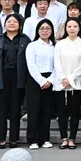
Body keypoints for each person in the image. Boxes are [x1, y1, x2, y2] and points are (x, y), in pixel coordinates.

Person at [0, 14, 31, 149]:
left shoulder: (25, 40)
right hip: (1, 76)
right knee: (1, 110)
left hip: (18, 77)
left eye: (14, 21)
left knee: (15, 109)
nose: (11, 23)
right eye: (9, 21)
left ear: (20, 24)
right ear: (4, 24)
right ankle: (1, 139)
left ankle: (14, 139)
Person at [53, 19, 81, 150]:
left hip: (76, 83)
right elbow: (57, 63)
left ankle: (72, 138)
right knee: (62, 112)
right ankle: (64, 138)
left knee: (74, 112)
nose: (72, 29)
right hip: (60, 83)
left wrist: (70, 79)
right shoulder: (60, 44)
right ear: (65, 28)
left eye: (75, 26)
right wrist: (63, 78)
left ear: (79, 29)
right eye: (69, 26)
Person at [25, 19, 56, 150]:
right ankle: (32, 139)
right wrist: (42, 81)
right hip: (35, 79)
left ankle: (45, 138)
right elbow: (31, 65)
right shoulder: (32, 46)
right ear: (37, 31)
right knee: (34, 110)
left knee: (47, 110)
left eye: (48, 28)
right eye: (42, 28)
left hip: (51, 79)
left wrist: (51, 80)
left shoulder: (55, 46)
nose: (45, 31)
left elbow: (57, 65)